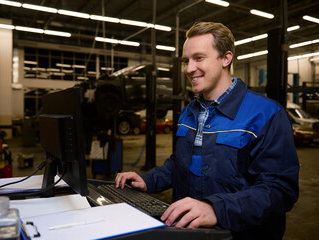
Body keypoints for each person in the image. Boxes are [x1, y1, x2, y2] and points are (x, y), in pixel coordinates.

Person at [115, 22, 300, 239]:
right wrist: (148, 180)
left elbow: (279, 190)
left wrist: (215, 209)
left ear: (226, 58)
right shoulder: (188, 113)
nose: (188, 68)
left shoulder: (267, 115)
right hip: (188, 233)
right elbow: (179, 165)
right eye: (186, 61)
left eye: (199, 58)